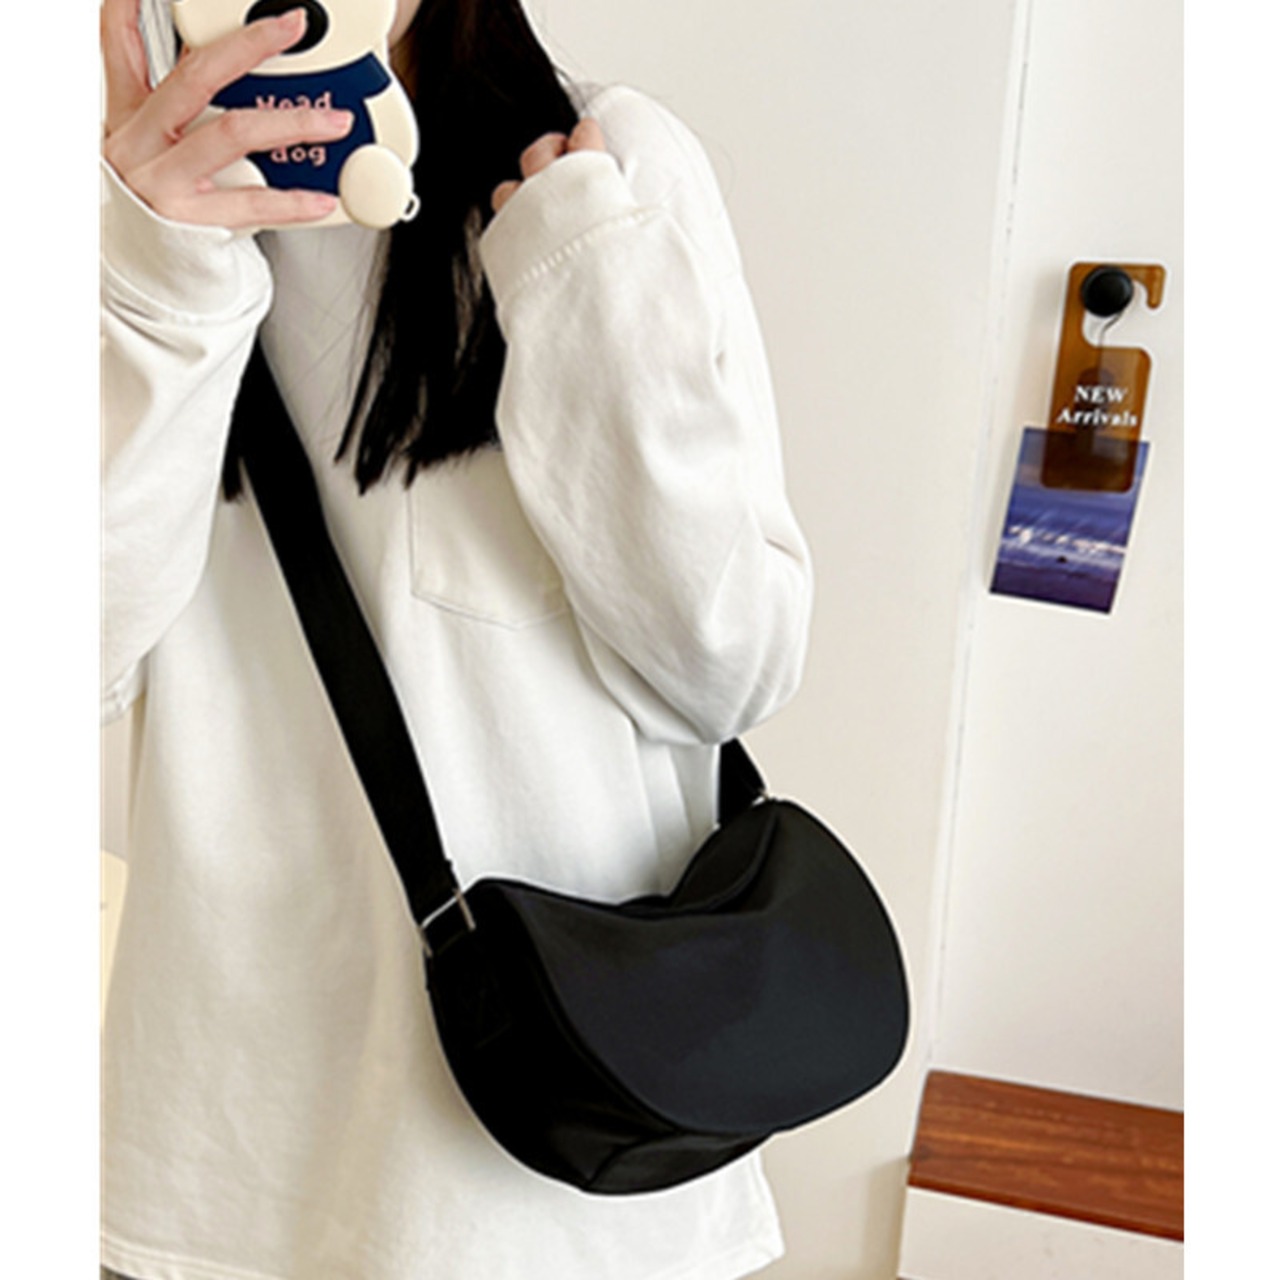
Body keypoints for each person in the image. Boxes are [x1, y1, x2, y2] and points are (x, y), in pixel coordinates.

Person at [100, 0, 815, 1276]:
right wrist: (156, 278)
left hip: (572, 1164)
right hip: (233, 1165)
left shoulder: (604, 165)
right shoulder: (112, 217)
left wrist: (578, 280)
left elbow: (731, 661)